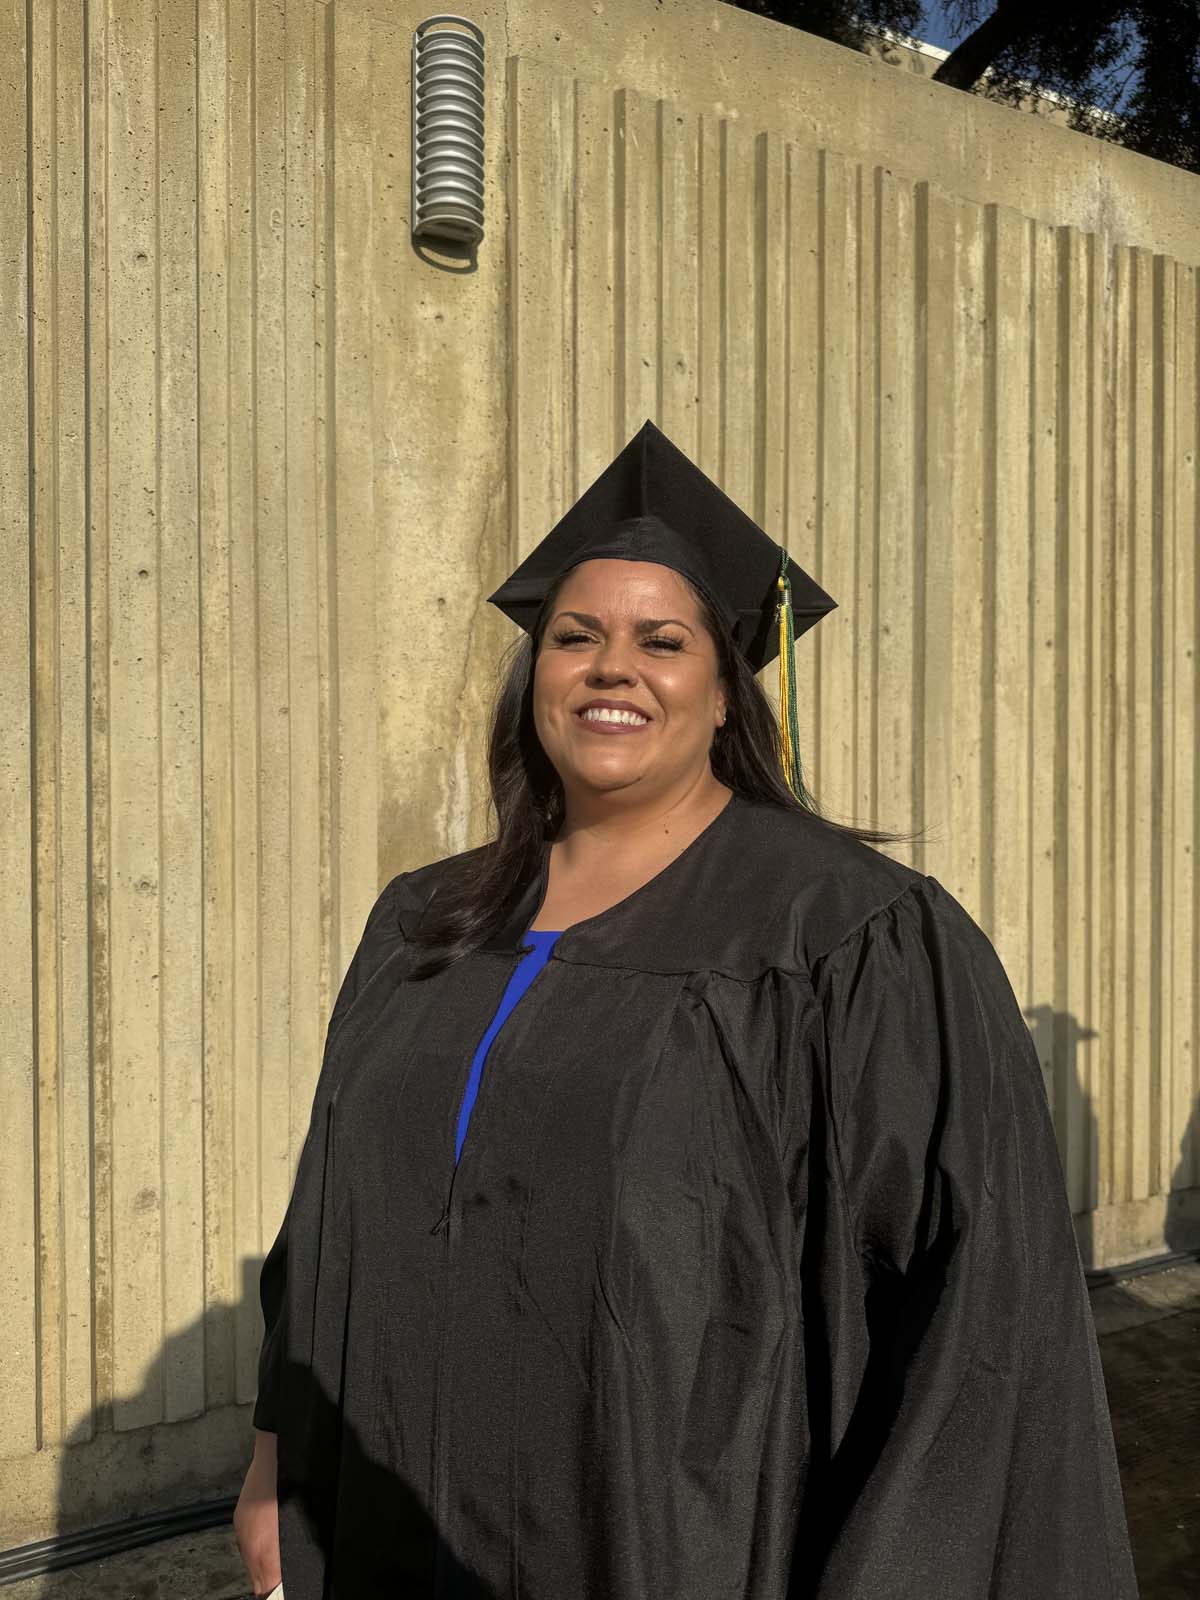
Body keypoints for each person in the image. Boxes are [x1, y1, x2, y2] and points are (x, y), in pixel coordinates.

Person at [234, 419, 1138, 1599]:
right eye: (577, 637)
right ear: (536, 676)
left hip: (673, 1543)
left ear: (725, 692)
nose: (613, 668)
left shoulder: (849, 936)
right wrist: (272, 1463)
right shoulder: (423, 920)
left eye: (662, 640)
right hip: (392, 1518)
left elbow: (976, 1315)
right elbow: (325, 1226)